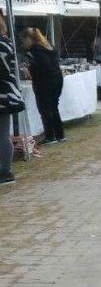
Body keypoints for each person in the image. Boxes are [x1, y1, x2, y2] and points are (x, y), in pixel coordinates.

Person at [19, 27, 64, 144]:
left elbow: (36, 67)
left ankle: (50, 136)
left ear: (28, 39)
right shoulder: (48, 45)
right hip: (57, 79)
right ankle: (60, 134)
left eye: (23, 41)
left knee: (45, 108)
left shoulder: (34, 50)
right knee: (54, 107)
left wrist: (28, 69)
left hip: (44, 81)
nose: (23, 44)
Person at [0, 11, 25, 186]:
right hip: (5, 93)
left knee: (2, 135)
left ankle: (5, 171)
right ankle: (6, 170)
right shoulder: (7, 43)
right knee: (3, 134)